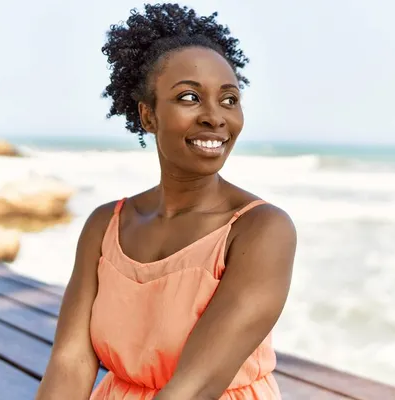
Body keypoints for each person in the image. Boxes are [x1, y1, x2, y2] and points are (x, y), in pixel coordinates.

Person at [36, 3, 297, 399]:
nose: (215, 117)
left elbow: (193, 388)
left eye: (229, 99)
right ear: (148, 116)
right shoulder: (105, 225)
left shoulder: (262, 230)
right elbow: (70, 362)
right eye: (190, 97)